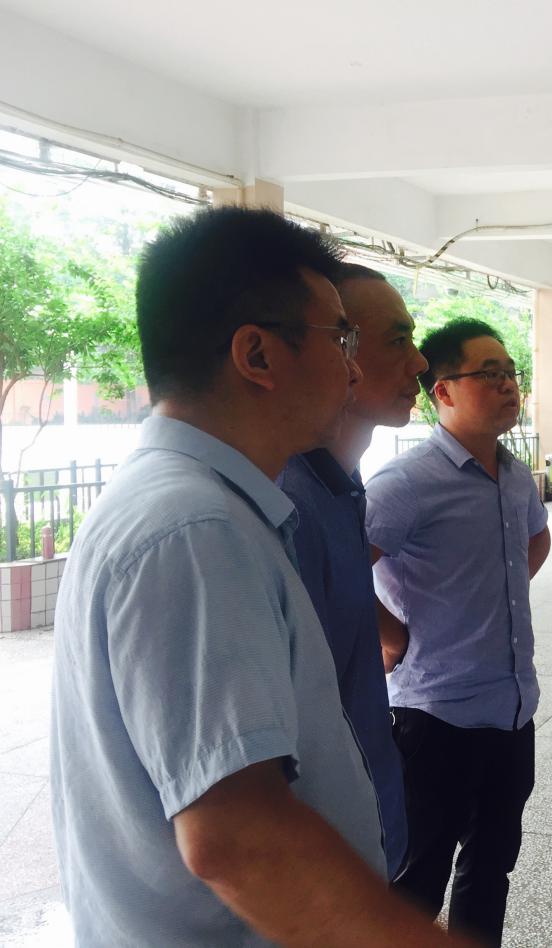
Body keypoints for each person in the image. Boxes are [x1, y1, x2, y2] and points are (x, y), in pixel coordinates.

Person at [49, 207, 462, 947]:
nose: (354, 367)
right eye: (341, 338)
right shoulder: (195, 530)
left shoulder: (207, 508)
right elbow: (238, 838)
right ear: (258, 355)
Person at [366, 317, 551, 946]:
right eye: (489, 374)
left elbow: (535, 540)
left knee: (491, 869)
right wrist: (392, 633)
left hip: (513, 711)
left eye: (511, 373)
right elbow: (338, 570)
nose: (508, 385)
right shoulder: (406, 483)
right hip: (435, 718)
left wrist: (493, 592)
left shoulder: (515, 474)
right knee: (417, 880)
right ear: (442, 390)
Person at [276, 263, 428, 883]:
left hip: (368, 824)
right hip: (325, 865)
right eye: (397, 340)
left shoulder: (343, 486)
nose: (420, 363)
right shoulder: (284, 506)